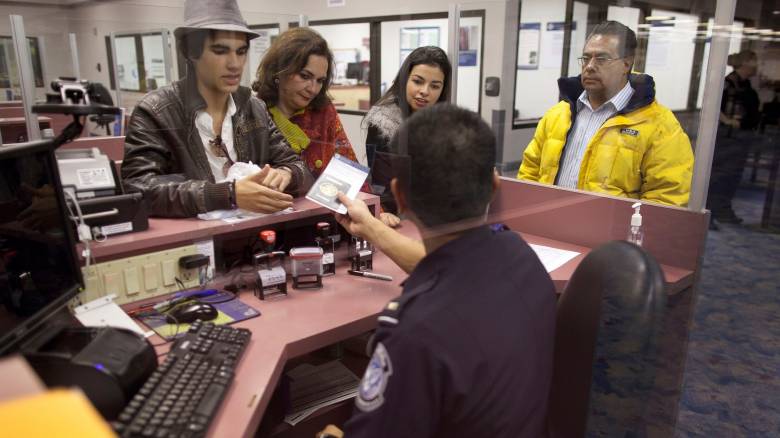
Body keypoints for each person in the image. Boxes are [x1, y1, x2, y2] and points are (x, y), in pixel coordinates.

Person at [322, 104, 556, 438]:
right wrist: (371, 227)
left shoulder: (413, 330)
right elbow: (450, 270)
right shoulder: (521, 257)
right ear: (494, 184)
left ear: (400, 198)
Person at [122, 0, 311, 218]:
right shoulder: (155, 112)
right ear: (190, 52)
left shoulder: (253, 108)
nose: (235, 64)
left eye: (241, 52)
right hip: (195, 243)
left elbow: (299, 167)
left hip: (253, 236)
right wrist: (227, 194)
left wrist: (286, 173)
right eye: (220, 51)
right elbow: (139, 188)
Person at [517, 20, 694, 207]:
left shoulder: (660, 125)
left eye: (602, 59)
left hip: (612, 234)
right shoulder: (557, 115)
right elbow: (530, 171)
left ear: (627, 64)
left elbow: (666, 198)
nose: (590, 66)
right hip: (548, 226)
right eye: (586, 58)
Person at [363, 46, 451, 221]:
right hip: (399, 215)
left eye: (435, 86)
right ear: (405, 80)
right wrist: (383, 211)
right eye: (418, 81)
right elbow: (382, 182)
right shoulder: (384, 121)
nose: (425, 91)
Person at [707, 50, 760, 226]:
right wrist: (728, 121)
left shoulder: (745, 84)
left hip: (741, 137)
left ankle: (722, 209)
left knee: (732, 176)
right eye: (754, 61)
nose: (756, 65)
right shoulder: (728, 84)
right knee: (720, 175)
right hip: (729, 137)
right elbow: (712, 105)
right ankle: (710, 212)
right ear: (746, 63)